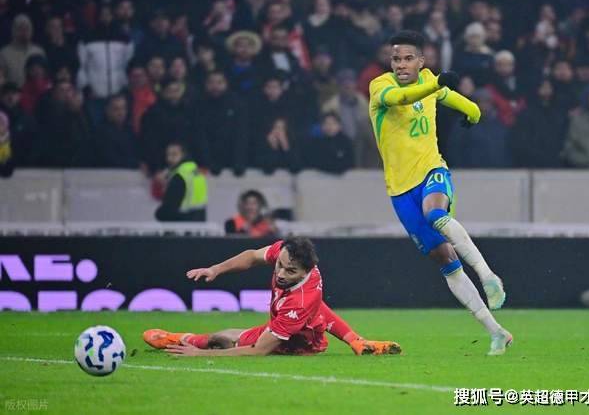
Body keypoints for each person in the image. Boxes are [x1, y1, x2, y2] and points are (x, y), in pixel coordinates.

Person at [368, 31, 511, 356]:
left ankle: (488, 276)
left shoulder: (431, 83)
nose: (401, 64)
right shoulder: (380, 86)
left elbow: (458, 101)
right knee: (445, 259)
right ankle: (497, 332)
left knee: (435, 213)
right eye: (396, 59)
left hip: (432, 170)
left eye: (408, 58)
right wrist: (436, 86)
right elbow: (402, 98)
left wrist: (473, 113)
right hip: (399, 190)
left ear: (421, 61)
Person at [143, 237, 401, 356]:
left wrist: (199, 356)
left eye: (290, 271)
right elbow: (251, 256)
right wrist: (216, 269)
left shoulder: (299, 302)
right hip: (300, 321)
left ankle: (176, 340)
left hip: (298, 343)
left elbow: (259, 350)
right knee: (230, 334)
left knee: (223, 339)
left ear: (306, 271)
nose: (281, 273)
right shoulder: (288, 253)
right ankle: (358, 342)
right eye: (280, 265)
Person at [154, 141, 208, 222]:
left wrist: (158, 214)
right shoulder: (195, 171)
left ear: (184, 155)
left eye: (174, 154)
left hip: (182, 225)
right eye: (168, 155)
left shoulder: (179, 176)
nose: (169, 158)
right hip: (199, 224)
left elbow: (167, 211)